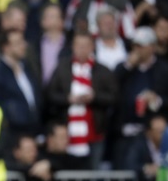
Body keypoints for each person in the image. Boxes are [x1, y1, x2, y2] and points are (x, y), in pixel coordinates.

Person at [46, 31, 118, 170]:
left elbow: (114, 97)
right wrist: (68, 99)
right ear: (72, 47)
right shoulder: (62, 68)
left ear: (92, 47)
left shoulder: (102, 70)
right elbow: (50, 94)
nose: (82, 49)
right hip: (67, 134)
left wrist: (94, 97)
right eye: (78, 45)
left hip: (95, 134)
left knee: (93, 174)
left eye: (85, 45)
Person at [112, 27, 168, 170]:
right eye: (135, 45)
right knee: (123, 174)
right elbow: (112, 87)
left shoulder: (164, 69)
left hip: (151, 136)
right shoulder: (124, 67)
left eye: (141, 46)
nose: (137, 50)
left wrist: (157, 100)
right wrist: (128, 66)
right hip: (125, 133)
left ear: (152, 47)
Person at [0, 30, 43, 138]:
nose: (24, 45)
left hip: (33, 131)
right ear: (5, 47)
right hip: (12, 135)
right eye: (18, 43)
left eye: (23, 41)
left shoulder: (27, 67)